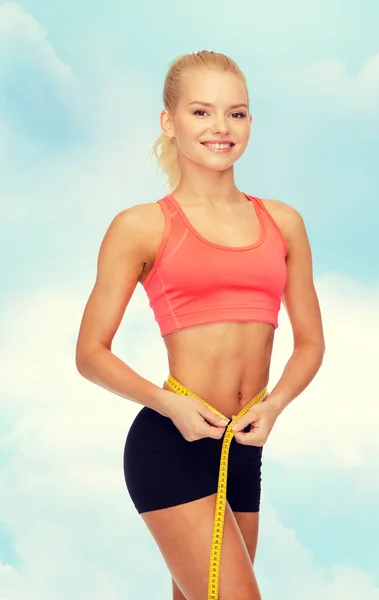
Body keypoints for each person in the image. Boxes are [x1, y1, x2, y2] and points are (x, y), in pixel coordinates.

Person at [75, 50, 325, 600]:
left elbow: (309, 343)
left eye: (236, 113)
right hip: (172, 443)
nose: (220, 127)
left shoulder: (283, 223)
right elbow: (90, 352)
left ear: (250, 122)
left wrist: (275, 403)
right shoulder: (141, 226)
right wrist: (170, 405)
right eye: (201, 112)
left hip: (244, 449)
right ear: (170, 122)